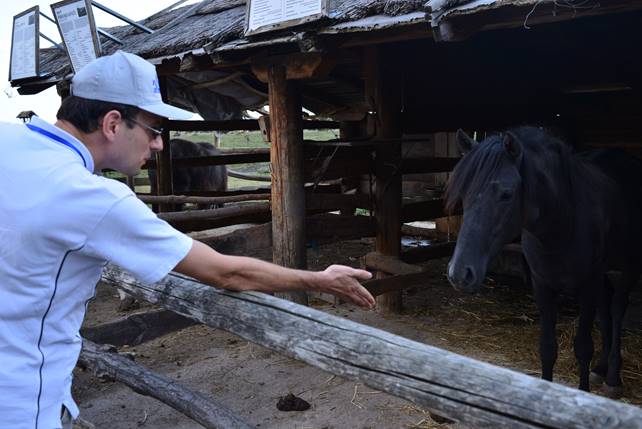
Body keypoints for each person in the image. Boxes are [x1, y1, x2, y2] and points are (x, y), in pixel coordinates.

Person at [0, 51, 375, 429]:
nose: (159, 145)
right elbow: (225, 273)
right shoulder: (93, 197)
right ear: (113, 123)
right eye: (153, 130)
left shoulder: (8, 140)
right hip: (21, 398)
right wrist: (319, 279)